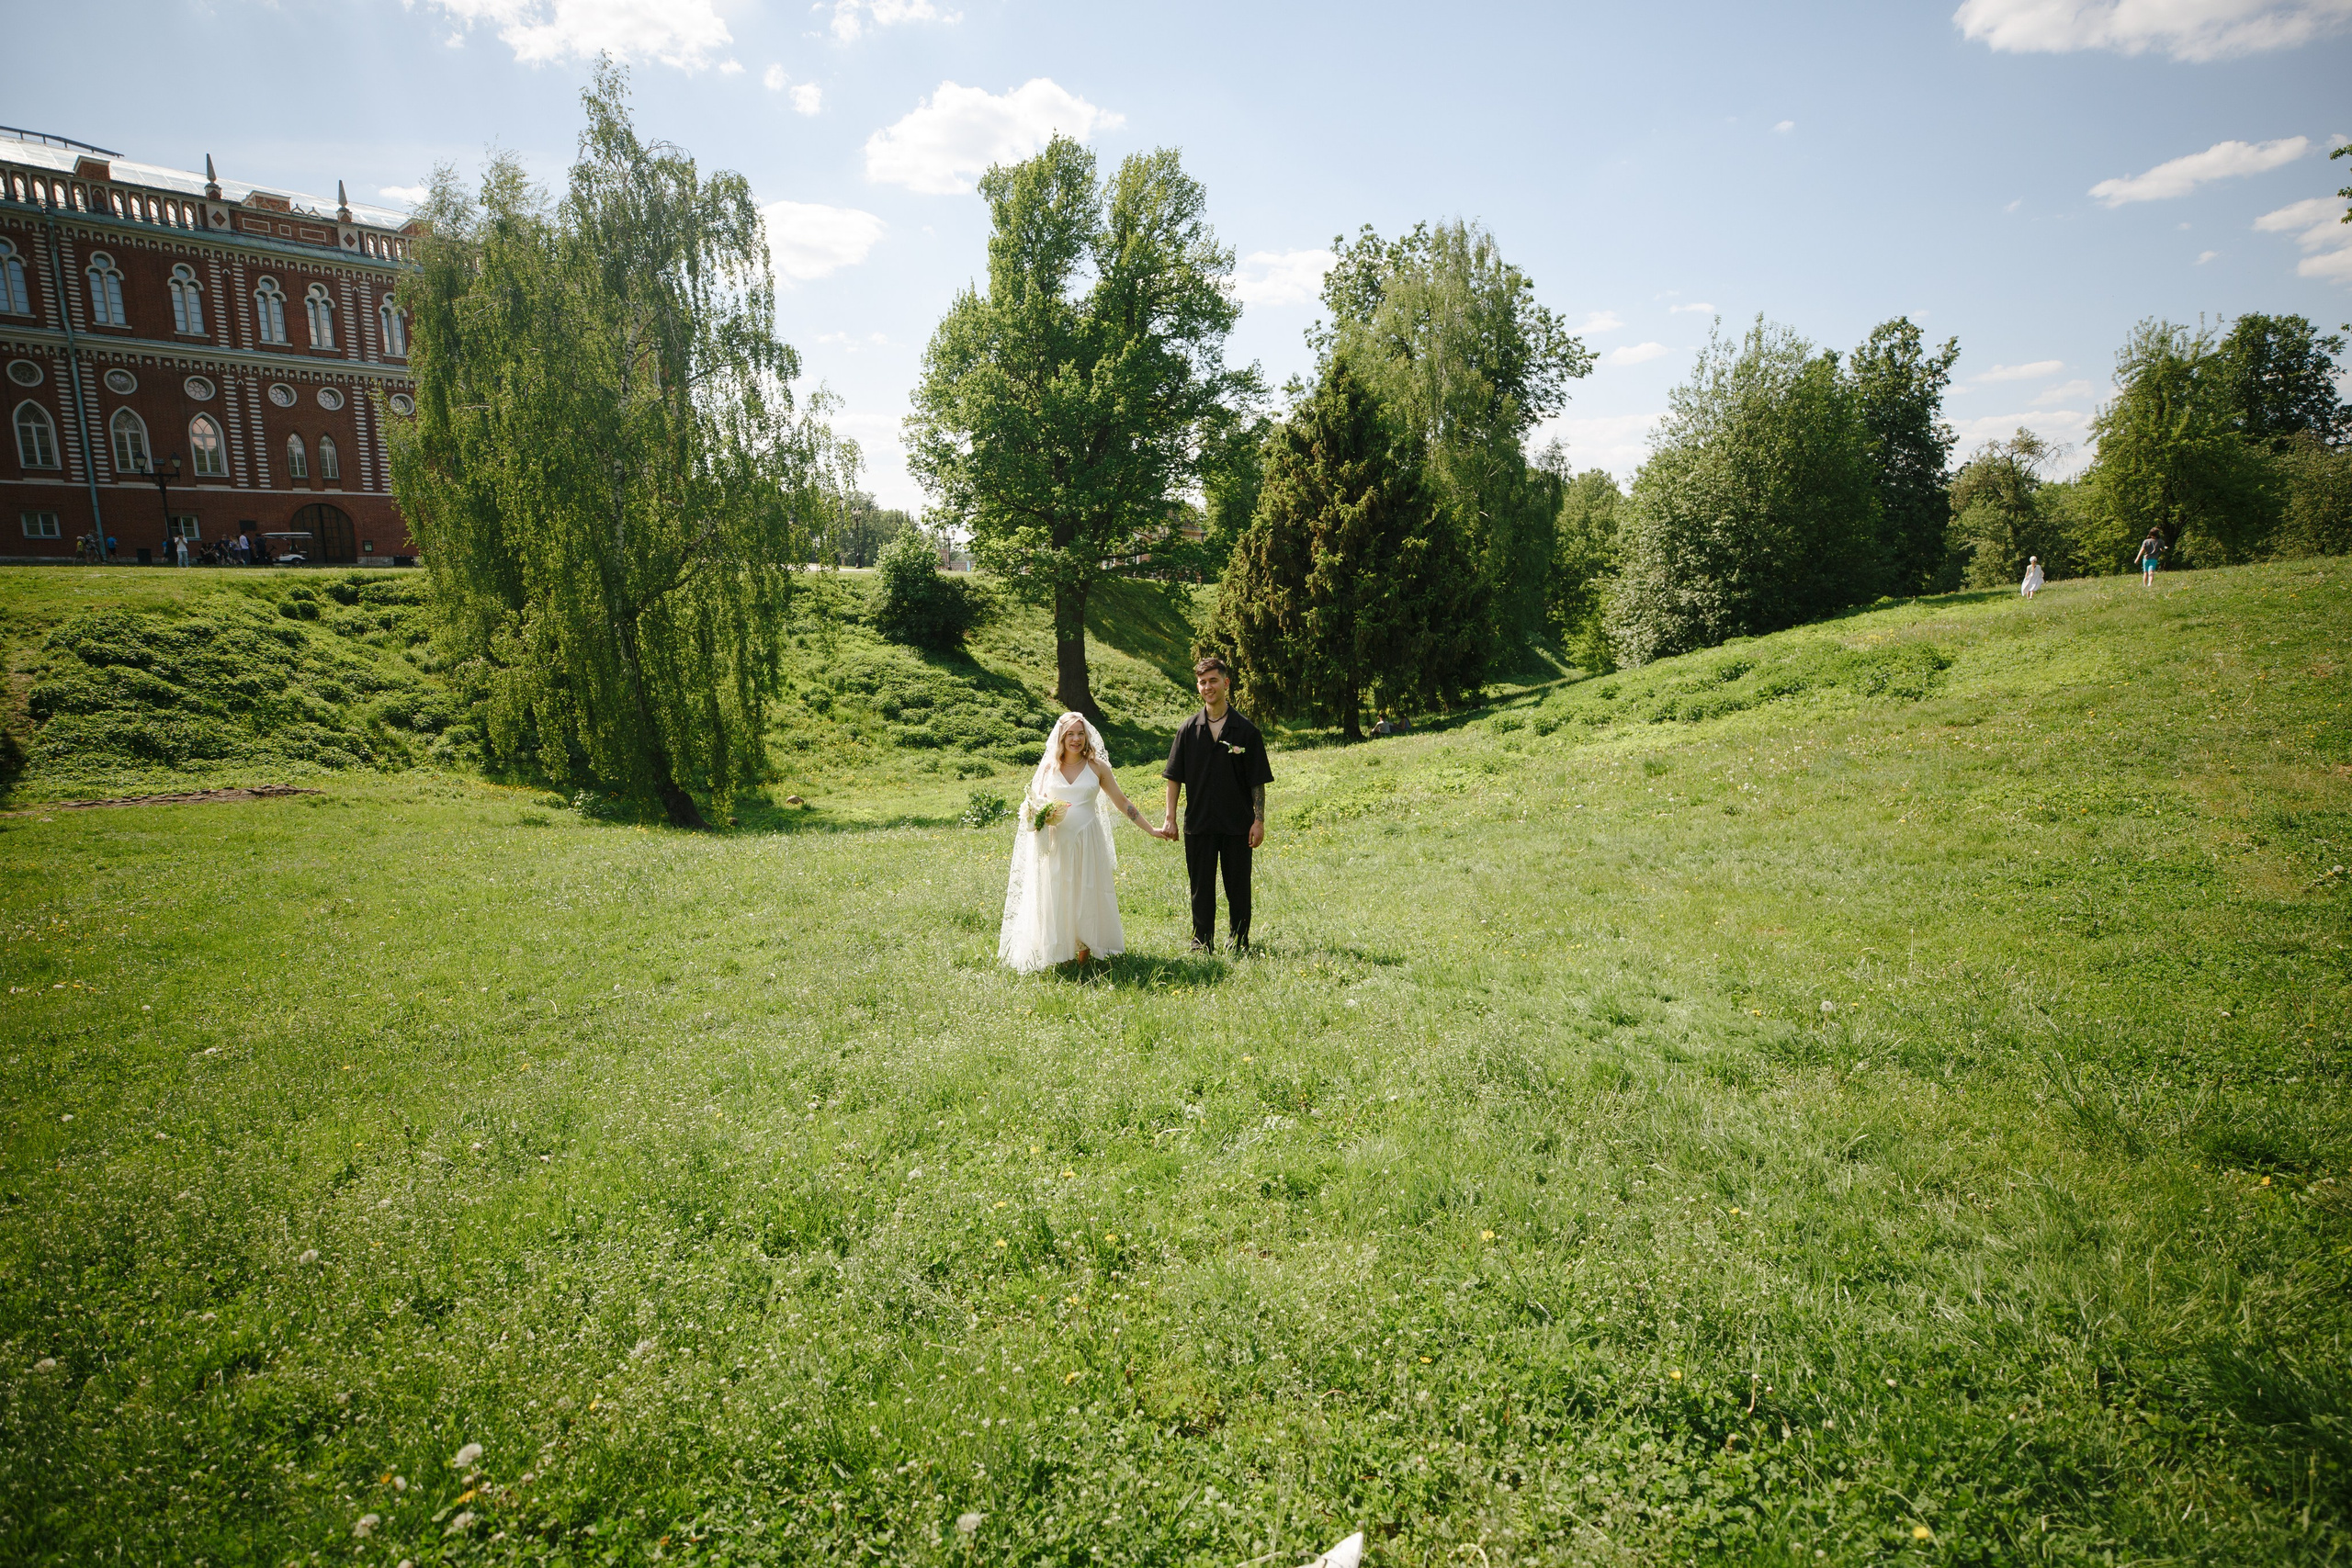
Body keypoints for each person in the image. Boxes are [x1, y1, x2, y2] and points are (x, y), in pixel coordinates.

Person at [998, 712, 1169, 972]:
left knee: (1086, 893)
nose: (1076, 739)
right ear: (1061, 738)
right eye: (1070, 734)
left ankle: (1085, 955)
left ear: (1087, 737)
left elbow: (1122, 802)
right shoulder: (1049, 769)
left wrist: (1151, 829)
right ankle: (1061, 952)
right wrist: (1038, 815)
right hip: (1056, 843)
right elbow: (1036, 803)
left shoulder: (1097, 767)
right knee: (1058, 894)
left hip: (1088, 840)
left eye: (1080, 734)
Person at [1162, 655, 1273, 953]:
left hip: (1237, 824)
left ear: (1226, 683)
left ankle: (1239, 942)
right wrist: (1170, 817)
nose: (1208, 687)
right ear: (1198, 687)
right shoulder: (1188, 730)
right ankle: (1202, 942)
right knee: (1201, 887)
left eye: (1213, 680)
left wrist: (1259, 820)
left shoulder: (1246, 731)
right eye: (1202, 682)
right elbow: (1174, 777)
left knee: (1238, 887)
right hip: (1199, 823)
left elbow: (1257, 781)